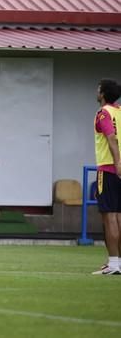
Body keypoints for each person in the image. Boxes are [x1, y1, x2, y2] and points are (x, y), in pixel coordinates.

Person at [92, 79, 121, 275]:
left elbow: (111, 137)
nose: (96, 91)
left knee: (109, 217)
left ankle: (113, 264)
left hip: (109, 169)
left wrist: (117, 162)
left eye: (98, 88)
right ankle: (117, 262)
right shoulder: (119, 112)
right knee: (119, 216)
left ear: (102, 94)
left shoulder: (103, 113)